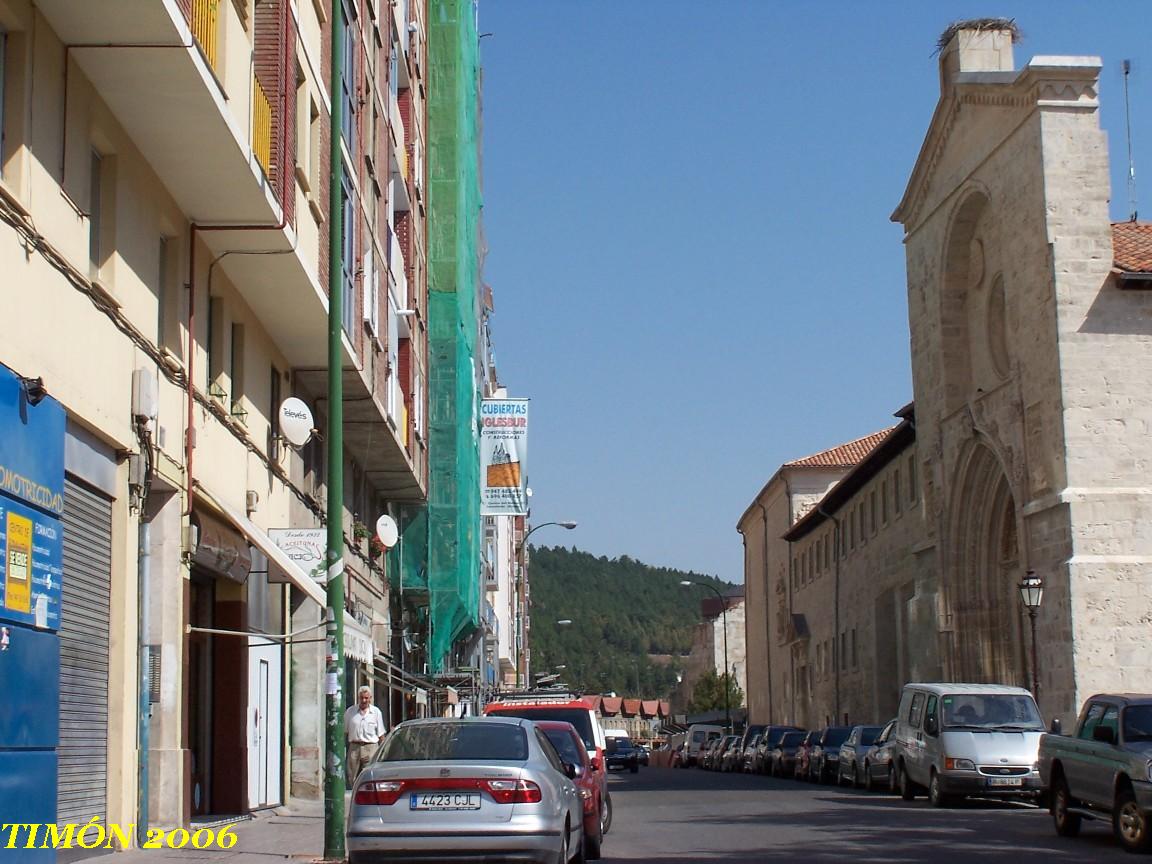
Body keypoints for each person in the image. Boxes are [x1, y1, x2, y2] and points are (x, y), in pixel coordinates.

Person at [344, 685, 386, 785]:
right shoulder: (350, 712)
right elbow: (344, 732)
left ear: (370, 698)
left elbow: (381, 735)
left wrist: (382, 753)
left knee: (369, 775)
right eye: (361, 698)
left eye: (366, 698)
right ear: (358, 698)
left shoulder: (376, 712)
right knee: (352, 776)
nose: (363, 700)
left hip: (370, 748)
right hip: (354, 747)